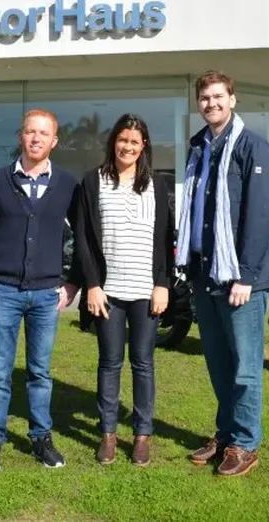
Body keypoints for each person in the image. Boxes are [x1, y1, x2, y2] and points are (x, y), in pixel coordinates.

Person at [176, 70, 269, 478]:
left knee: (245, 366)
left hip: (240, 278)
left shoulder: (253, 148)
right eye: (204, 98)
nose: (211, 103)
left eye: (218, 96)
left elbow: (258, 215)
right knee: (218, 363)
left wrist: (247, 275)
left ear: (233, 100)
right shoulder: (199, 149)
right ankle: (226, 431)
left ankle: (246, 443)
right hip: (206, 274)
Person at [0, 108, 79, 473]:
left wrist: (73, 281)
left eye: (43, 133)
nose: (36, 138)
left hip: (47, 294)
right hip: (5, 291)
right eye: (30, 131)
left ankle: (41, 438)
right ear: (21, 136)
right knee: (0, 371)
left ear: (54, 141)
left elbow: (84, 236)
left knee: (40, 372)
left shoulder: (66, 185)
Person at [72, 113, 174, 467]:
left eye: (134, 141)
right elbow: (83, 238)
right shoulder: (92, 182)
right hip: (108, 292)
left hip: (146, 291)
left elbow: (165, 239)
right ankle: (108, 435)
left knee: (143, 363)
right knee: (110, 362)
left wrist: (163, 284)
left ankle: (142, 436)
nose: (127, 146)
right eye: (122, 140)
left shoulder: (158, 185)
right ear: (113, 142)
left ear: (143, 145)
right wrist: (92, 285)